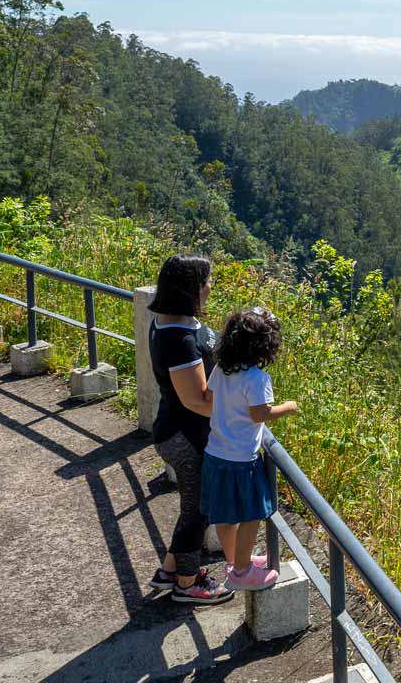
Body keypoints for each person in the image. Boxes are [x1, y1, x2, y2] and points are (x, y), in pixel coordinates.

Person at [147, 255, 234, 605]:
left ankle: (170, 570)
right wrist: (240, 409)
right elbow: (196, 400)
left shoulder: (174, 321)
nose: (210, 287)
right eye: (206, 282)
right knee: (198, 509)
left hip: (180, 430)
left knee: (194, 507)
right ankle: (187, 582)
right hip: (184, 435)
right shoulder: (179, 339)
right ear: (190, 289)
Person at [202, 306, 298, 590]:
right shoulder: (258, 379)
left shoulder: (222, 368)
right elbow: (260, 414)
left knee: (224, 514)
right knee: (252, 514)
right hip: (242, 459)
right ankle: (242, 573)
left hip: (215, 453)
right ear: (265, 347)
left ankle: (236, 561)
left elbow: (209, 396)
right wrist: (287, 407)